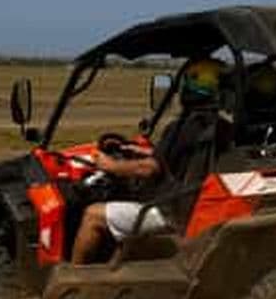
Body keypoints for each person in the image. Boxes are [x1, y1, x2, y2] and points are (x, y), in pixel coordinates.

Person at [70, 57, 230, 264]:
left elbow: (148, 170)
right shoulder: (221, 127)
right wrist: (140, 151)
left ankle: (75, 276)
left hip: (169, 211)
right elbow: (180, 157)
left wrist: (109, 165)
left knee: (92, 215)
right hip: (194, 205)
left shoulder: (183, 126)